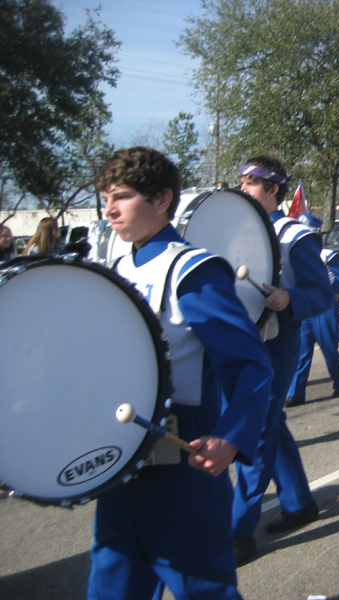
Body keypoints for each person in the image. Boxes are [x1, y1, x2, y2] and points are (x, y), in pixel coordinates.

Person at [90, 147, 274, 600]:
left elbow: (249, 364)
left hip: (182, 460)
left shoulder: (191, 270)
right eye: (106, 198)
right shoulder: (116, 270)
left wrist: (230, 437)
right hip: (121, 463)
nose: (110, 209)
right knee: (111, 588)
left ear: (161, 199)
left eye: (122, 196)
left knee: (204, 592)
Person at [232, 156, 333, 564]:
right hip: (241, 342)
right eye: (240, 182)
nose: (243, 189)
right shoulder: (234, 230)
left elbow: (322, 294)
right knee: (271, 422)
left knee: (254, 433)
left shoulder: (296, 235)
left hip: (277, 341)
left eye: (252, 183)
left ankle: (238, 532)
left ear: (274, 189)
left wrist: (290, 298)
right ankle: (298, 502)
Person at [285, 213, 339, 406]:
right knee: (302, 351)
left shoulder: (328, 255)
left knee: (329, 348)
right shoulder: (294, 253)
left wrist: (324, 282)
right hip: (304, 307)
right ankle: (296, 392)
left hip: (324, 307)